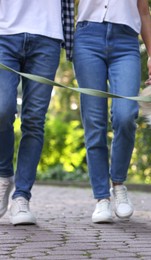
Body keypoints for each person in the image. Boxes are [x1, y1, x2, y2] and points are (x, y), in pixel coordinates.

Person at [73, 0, 151, 223]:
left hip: (126, 41)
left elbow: (143, 11)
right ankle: (101, 198)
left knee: (126, 115)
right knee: (94, 120)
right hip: (87, 37)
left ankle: (118, 184)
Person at [0, 0, 74, 225]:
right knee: (2, 110)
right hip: (3, 33)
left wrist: (71, 47)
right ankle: (4, 175)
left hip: (46, 34)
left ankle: (22, 196)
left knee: (34, 120)